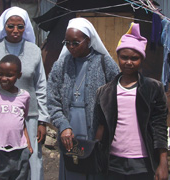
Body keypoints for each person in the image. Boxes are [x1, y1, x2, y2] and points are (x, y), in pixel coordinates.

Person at [0, 6, 49, 180]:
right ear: (3, 26)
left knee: (31, 160)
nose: (15, 31)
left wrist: (43, 120)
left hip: (29, 117)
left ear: (26, 28)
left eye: (20, 27)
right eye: (10, 26)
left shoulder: (34, 51)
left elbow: (41, 87)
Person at [47, 17, 119, 180]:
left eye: (76, 42)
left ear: (88, 40)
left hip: (96, 130)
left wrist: (103, 125)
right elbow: (52, 99)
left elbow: (116, 95)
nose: (71, 47)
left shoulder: (104, 62)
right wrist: (63, 125)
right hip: (70, 129)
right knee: (73, 170)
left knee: (95, 170)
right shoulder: (61, 64)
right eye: (67, 43)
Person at [94, 22, 168, 180]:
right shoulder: (104, 92)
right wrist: (96, 157)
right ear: (118, 57)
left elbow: (159, 127)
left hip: (143, 162)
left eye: (134, 58)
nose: (129, 62)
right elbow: (100, 128)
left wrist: (163, 163)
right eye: (124, 57)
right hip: (113, 162)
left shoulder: (153, 88)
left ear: (142, 59)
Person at [0, 55, 33, 179]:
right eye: (0, 74)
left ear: (19, 75)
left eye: (9, 75)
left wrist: (28, 143)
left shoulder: (24, 96)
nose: (4, 78)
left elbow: (21, 121)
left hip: (20, 151)